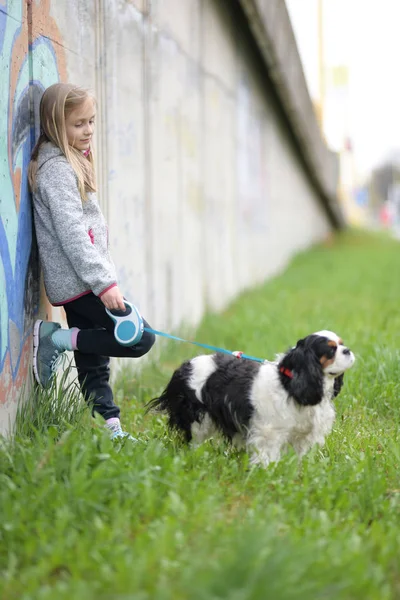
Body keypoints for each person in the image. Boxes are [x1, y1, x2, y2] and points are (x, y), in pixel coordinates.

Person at [28, 83, 155, 441]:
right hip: (81, 281)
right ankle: (58, 340)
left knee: (94, 362)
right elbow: (71, 233)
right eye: (78, 124)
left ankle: (110, 428)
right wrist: (104, 283)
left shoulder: (73, 162)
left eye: (91, 122)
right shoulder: (56, 170)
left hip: (84, 280)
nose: (87, 131)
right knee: (139, 338)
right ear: (56, 125)